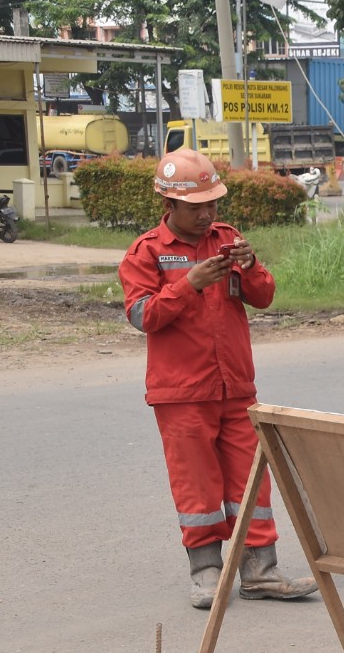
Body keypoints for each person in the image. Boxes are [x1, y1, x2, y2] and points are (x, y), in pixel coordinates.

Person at [117, 149, 319, 609]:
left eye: (213, 204)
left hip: (235, 386)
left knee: (252, 482)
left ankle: (260, 571)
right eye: (197, 207)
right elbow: (142, 316)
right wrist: (189, 284)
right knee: (197, 485)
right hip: (181, 392)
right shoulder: (146, 252)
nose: (208, 214)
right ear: (169, 205)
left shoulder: (227, 239)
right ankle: (207, 572)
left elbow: (264, 296)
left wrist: (250, 267)